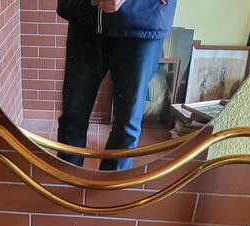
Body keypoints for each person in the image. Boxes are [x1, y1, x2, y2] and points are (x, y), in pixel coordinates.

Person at [56, 0, 177, 170]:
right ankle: (64, 186)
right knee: (72, 118)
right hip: (85, 14)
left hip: (145, 17)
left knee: (127, 125)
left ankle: (109, 194)